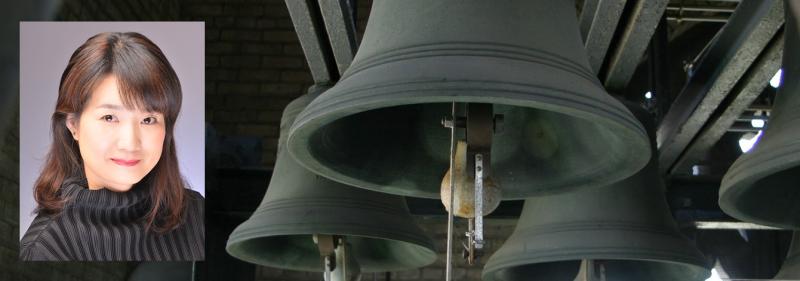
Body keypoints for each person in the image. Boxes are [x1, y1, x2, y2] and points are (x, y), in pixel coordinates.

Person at [20, 32, 204, 261]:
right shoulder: (44, 247)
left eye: (148, 120)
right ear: (73, 124)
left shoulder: (199, 215)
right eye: (109, 117)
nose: (130, 143)